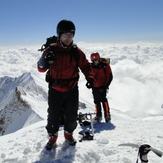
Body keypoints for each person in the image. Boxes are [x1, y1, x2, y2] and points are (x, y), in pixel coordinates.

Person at [37, 19, 94, 150]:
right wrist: (44, 59)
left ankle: (68, 134)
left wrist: (90, 77)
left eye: (71, 35)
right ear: (59, 35)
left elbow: (85, 66)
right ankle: (53, 137)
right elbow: (40, 68)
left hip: (72, 88)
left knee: (72, 114)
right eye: (65, 35)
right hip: (55, 88)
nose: (68, 38)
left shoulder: (76, 51)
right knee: (53, 114)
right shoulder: (50, 50)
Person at [90, 52, 113, 123]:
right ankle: (98, 115)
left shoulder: (105, 66)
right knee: (96, 101)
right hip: (94, 86)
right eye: (93, 61)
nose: (95, 62)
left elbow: (110, 77)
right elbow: (89, 75)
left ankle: (107, 115)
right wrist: (90, 83)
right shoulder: (91, 66)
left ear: (99, 59)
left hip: (103, 86)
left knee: (103, 100)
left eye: (96, 60)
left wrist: (106, 86)